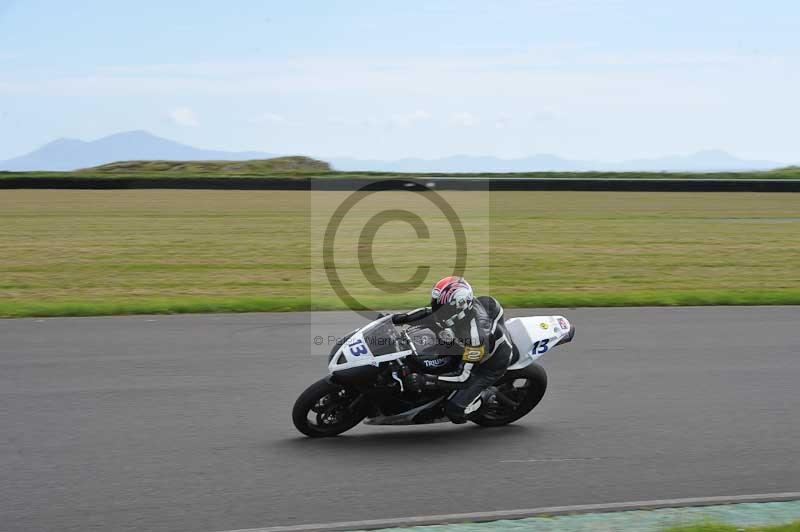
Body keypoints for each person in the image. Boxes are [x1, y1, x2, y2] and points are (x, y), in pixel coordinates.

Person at [390, 276, 513, 423]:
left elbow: (464, 377)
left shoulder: (475, 336)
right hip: (466, 347)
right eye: (436, 303)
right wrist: (395, 319)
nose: (436, 309)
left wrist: (426, 380)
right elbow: (428, 312)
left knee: (455, 411)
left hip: (489, 365)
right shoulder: (456, 312)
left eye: (442, 307)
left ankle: (485, 397)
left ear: (458, 306)